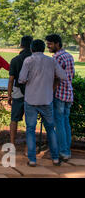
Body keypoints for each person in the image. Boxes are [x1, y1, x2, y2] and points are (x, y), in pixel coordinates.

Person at [19, 39, 67, 167]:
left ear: (31, 49)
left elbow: (22, 79)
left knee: (30, 129)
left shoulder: (28, 60)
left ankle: (32, 159)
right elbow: (63, 76)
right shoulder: (51, 61)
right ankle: (56, 158)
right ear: (44, 48)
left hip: (31, 100)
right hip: (47, 99)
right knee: (51, 129)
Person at [46, 34, 75, 162]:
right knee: (65, 123)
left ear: (57, 44)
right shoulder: (69, 56)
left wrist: (50, 92)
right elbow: (72, 75)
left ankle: (63, 152)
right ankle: (67, 150)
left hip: (59, 93)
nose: (48, 46)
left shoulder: (56, 57)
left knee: (59, 123)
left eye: (50, 44)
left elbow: (55, 77)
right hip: (68, 93)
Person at [7, 35, 33, 145]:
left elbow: (11, 79)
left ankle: (12, 144)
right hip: (32, 92)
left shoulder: (15, 60)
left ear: (21, 45)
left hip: (17, 91)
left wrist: (9, 95)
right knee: (30, 122)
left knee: (14, 119)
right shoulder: (34, 59)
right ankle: (28, 148)